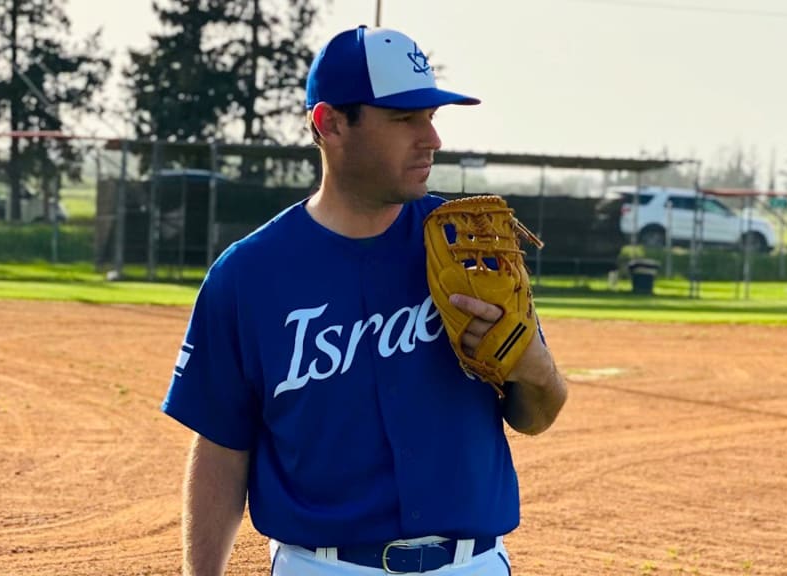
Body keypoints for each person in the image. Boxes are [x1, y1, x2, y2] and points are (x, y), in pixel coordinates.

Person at [161, 25, 567, 576]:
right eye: (405, 119)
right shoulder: (248, 276)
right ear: (330, 124)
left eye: (432, 117)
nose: (432, 138)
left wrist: (537, 370)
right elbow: (221, 448)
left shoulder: (467, 246)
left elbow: (536, 413)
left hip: (471, 564)